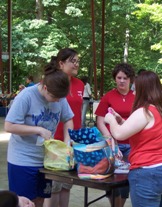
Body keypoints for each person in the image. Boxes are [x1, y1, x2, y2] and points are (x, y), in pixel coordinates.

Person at [104, 71, 162, 207]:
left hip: (149, 173)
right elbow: (144, 130)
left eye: (135, 88)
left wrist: (110, 120)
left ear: (142, 90)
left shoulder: (143, 111)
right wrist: (121, 120)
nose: (133, 92)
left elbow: (119, 134)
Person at [4, 61, 74, 207]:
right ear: (45, 88)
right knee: (24, 203)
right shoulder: (26, 97)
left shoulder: (60, 97)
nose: (57, 101)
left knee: (40, 201)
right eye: (55, 97)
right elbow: (9, 126)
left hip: (47, 162)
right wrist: (37, 129)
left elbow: (68, 119)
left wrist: (67, 142)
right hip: (23, 160)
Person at [43, 48, 84, 207]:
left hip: (73, 141)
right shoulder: (50, 82)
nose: (76, 64)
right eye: (73, 61)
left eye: (78, 61)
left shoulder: (80, 84)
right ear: (61, 63)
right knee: (53, 186)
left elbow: (78, 113)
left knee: (67, 184)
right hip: (54, 141)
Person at [95, 62, 135, 207]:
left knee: (125, 180)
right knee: (111, 179)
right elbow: (100, 122)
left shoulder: (136, 97)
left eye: (125, 78)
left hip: (131, 144)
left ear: (131, 79)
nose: (122, 81)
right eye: (119, 77)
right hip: (111, 144)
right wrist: (111, 141)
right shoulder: (108, 96)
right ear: (115, 79)